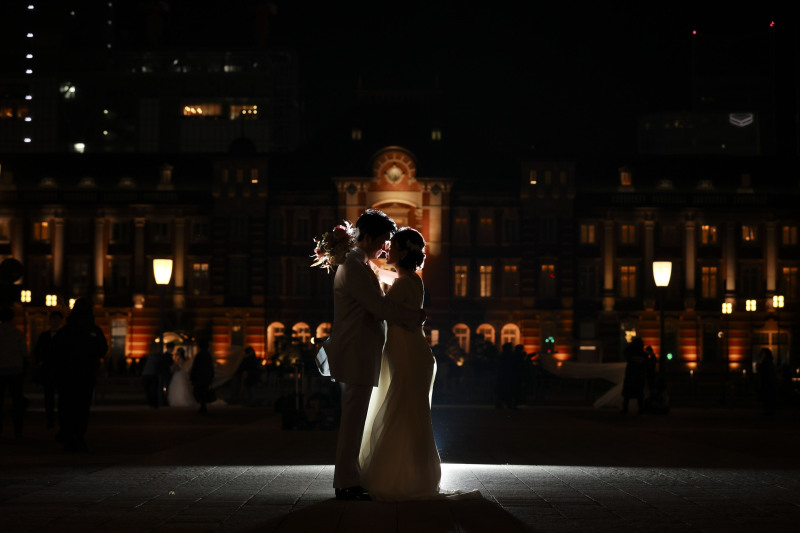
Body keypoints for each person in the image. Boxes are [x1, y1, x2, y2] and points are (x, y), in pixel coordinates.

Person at [359, 228, 481, 502]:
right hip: (414, 352)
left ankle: (395, 476)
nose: (386, 250)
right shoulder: (412, 280)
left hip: (406, 352)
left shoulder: (403, 284)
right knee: (411, 412)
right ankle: (414, 475)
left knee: (399, 409)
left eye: (392, 247)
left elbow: (381, 309)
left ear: (403, 252)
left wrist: (365, 269)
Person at [324, 209, 424, 501]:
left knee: (355, 418)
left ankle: (349, 478)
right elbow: (377, 307)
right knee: (353, 419)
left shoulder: (359, 263)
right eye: (382, 239)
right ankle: (345, 481)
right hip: (356, 350)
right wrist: (413, 316)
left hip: (361, 350)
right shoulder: (353, 266)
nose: (385, 247)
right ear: (366, 236)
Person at [52, 297, 108, 451]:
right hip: (86, 374)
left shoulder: (66, 330)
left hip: (67, 374)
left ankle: (67, 434)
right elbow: (103, 349)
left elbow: (55, 351)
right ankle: (79, 435)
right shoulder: (94, 330)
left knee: (66, 405)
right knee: (82, 406)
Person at [0, 307, 29, 439]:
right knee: (17, 401)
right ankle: (18, 430)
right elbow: (24, 353)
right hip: (15, 370)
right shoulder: (17, 333)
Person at [33, 310, 64, 428]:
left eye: (57, 319)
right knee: (49, 397)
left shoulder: (59, 335)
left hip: (59, 369)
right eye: (53, 319)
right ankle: (51, 419)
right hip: (51, 369)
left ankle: (56, 420)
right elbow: (37, 351)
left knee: (58, 397)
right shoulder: (46, 335)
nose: (55, 321)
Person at [621, 336, 647, 415]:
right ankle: (640, 409)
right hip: (638, 376)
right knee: (639, 395)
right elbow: (645, 362)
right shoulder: (642, 353)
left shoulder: (630, 352)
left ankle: (625, 409)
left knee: (628, 395)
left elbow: (625, 353)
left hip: (631, 375)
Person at [190, 339, 215, 413]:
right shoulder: (208, 355)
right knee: (204, 391)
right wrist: (211, 376)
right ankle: (203, 406)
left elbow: (195, 367)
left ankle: (203, 406)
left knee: (200, 392)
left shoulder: (199, 355)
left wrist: (193, 377)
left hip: (200, 377)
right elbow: (211, 367)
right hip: (206, 377)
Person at [757, 347, 778, 415]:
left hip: (767, 384)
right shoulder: (769, 362)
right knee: (768, 399)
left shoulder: (766, 362)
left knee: (767, 398)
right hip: (769, 383)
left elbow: (764, 372)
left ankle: (768, 411)